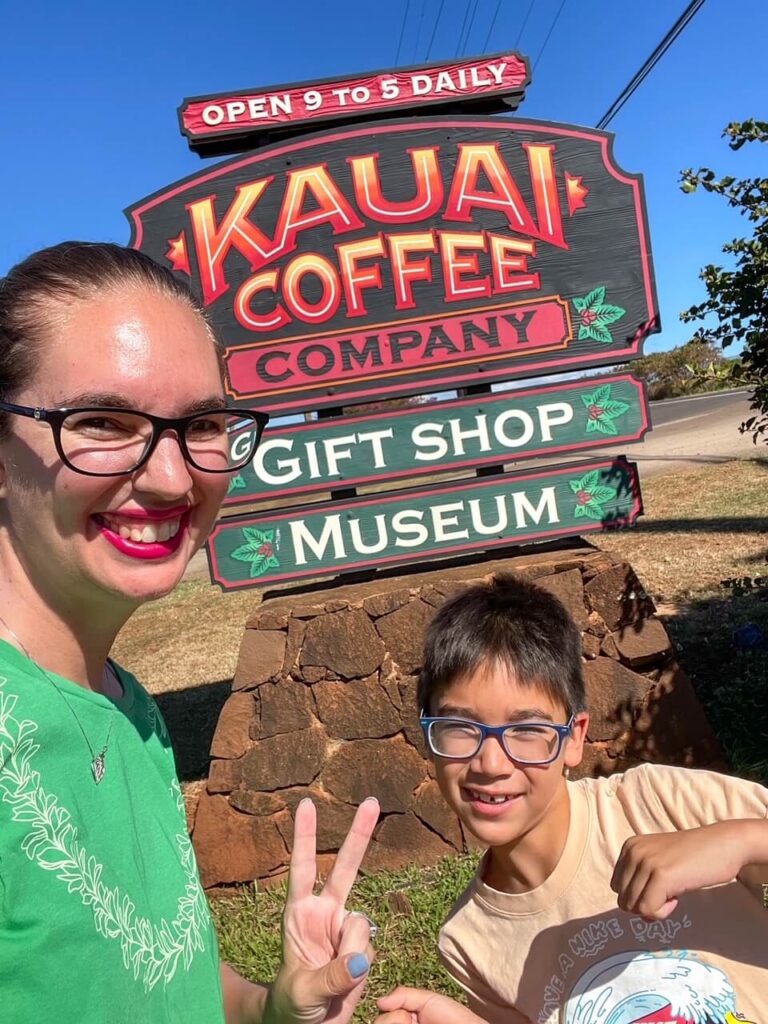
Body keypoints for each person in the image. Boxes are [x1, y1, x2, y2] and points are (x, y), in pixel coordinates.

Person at [0, 241, 379, 1024]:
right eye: (101, 420)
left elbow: (171, 986)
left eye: (204, 424)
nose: (176, 478)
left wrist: (277, 1007)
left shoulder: (131, 711)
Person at [375, 574, 768, 1024]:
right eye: (460, 727)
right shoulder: (468, 942)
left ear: (573, 740)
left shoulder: (655, 801)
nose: (490, 763)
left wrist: (738, 841)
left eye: (527, 730)